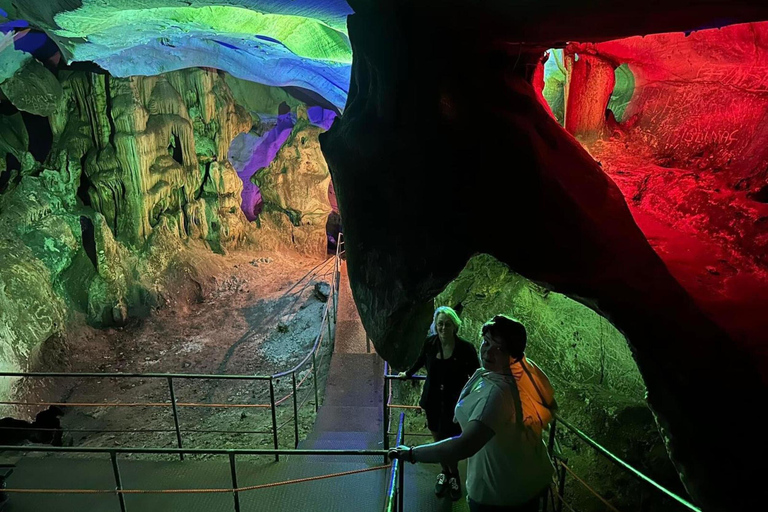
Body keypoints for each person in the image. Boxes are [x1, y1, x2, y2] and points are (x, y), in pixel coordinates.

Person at [390, 315, 557, 511]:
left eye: (500, 348)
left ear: (513, 353)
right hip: (526, 477)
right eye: (486, 342)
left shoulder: (498, 395)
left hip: (499, 494)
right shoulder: (523, 369)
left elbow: (464, 445)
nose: (488, 351)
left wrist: (411, 453)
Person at [397, 306, 479, 500]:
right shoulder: (430, 344)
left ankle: (453, 475)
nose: (443, 327)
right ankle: (447, 473)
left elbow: (476, 374)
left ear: (455, 326)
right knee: (437, 437)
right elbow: (420, 361)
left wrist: (472, 397)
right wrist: (407, 374)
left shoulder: (465, 348)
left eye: (447, 324)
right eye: (440, 324)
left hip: (454, 403)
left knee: (450, 440)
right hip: (433, 400)